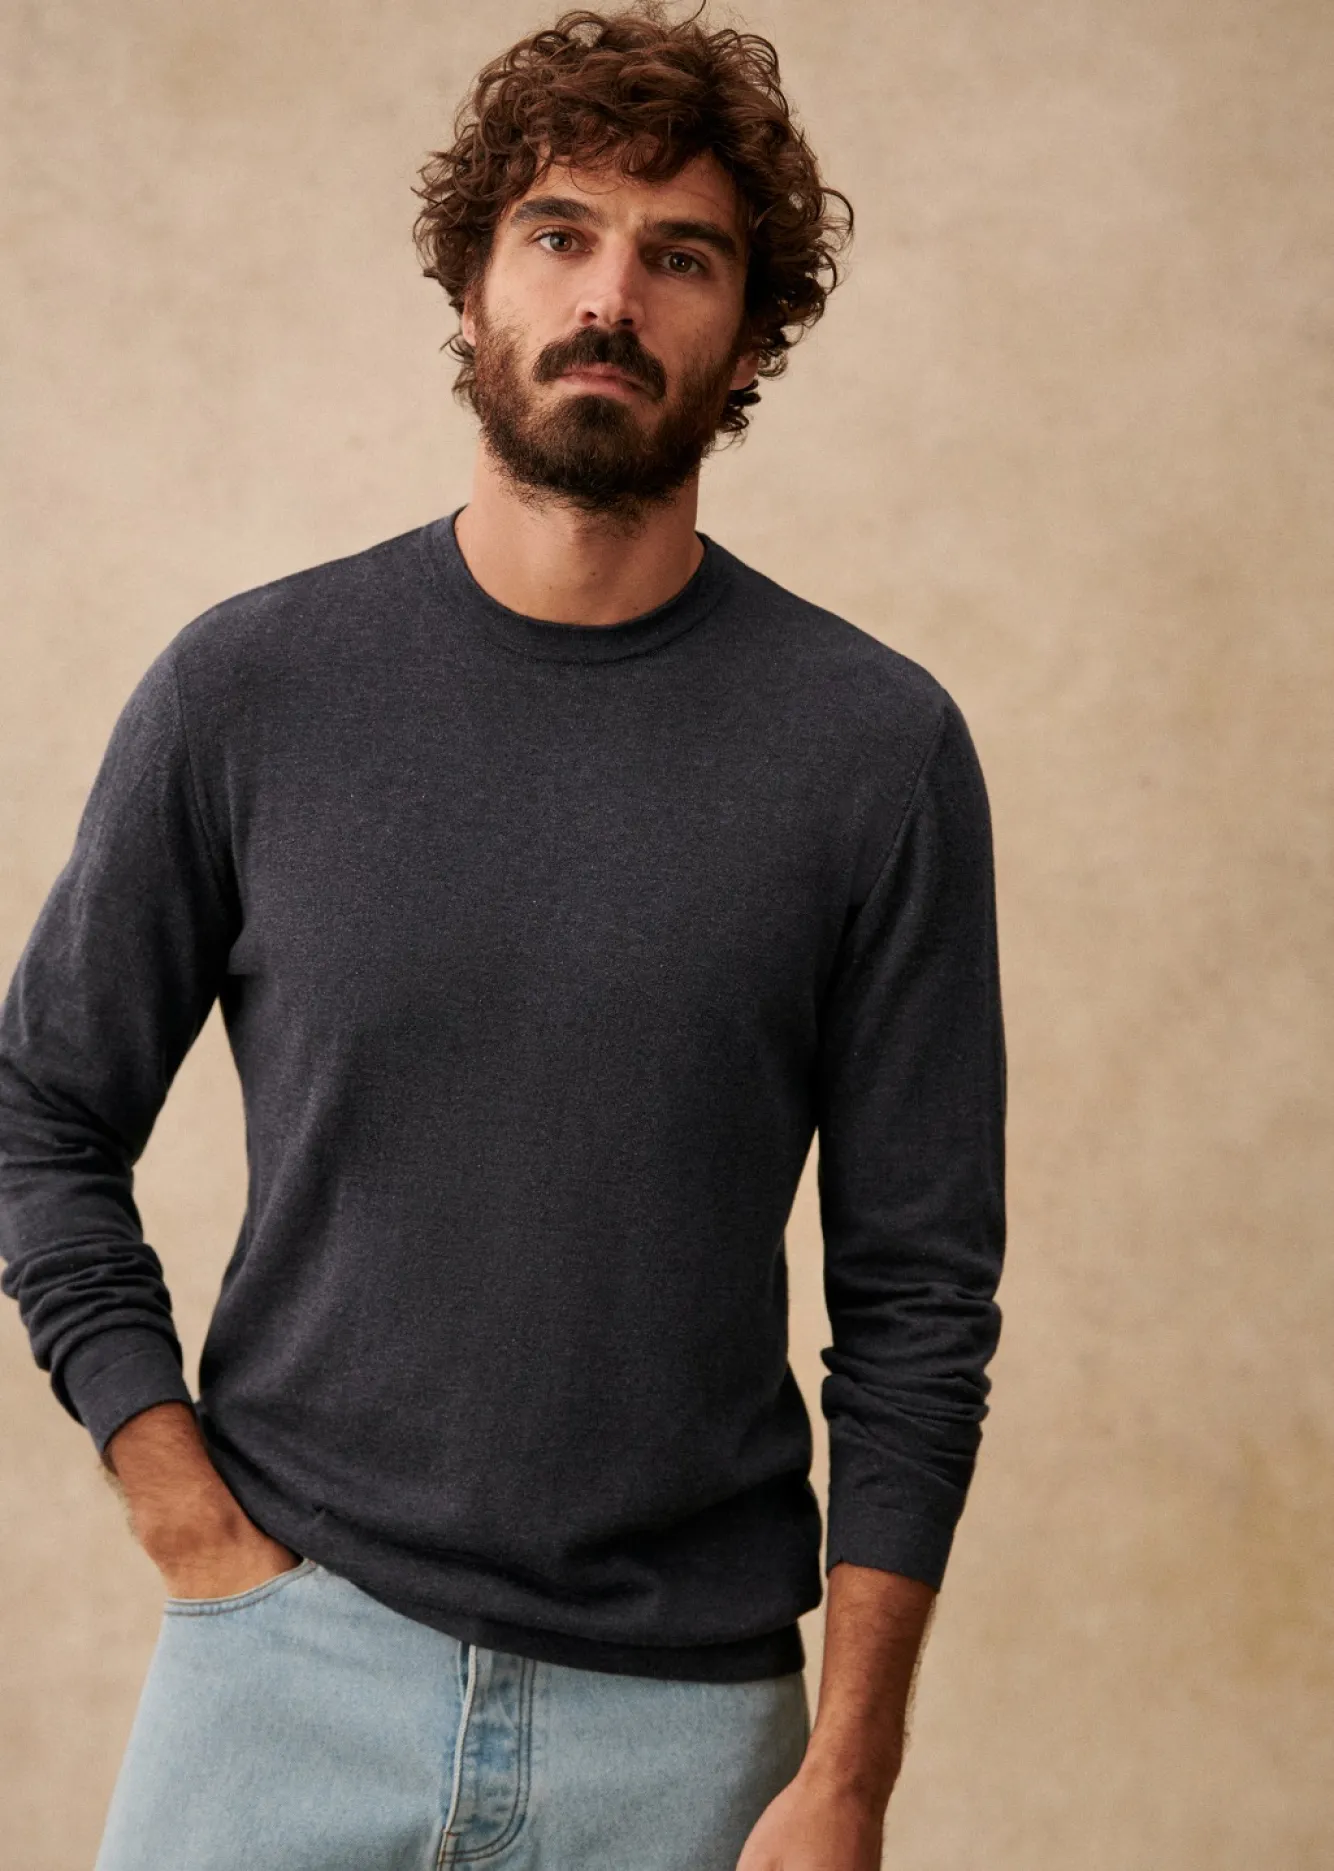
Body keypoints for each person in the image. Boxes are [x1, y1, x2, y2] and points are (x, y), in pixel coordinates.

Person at [0, 7, 1007, 1869]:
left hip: (689, 1738)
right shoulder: (250, 690)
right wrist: (181, 1509)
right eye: (558, 234)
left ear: (749, 334)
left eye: (680, 255)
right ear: (472, 286)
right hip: (279, 1674)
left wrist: (849, 1770)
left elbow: (918, 1296)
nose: (608, 295)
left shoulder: (874, 750)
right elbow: (36, 1109)